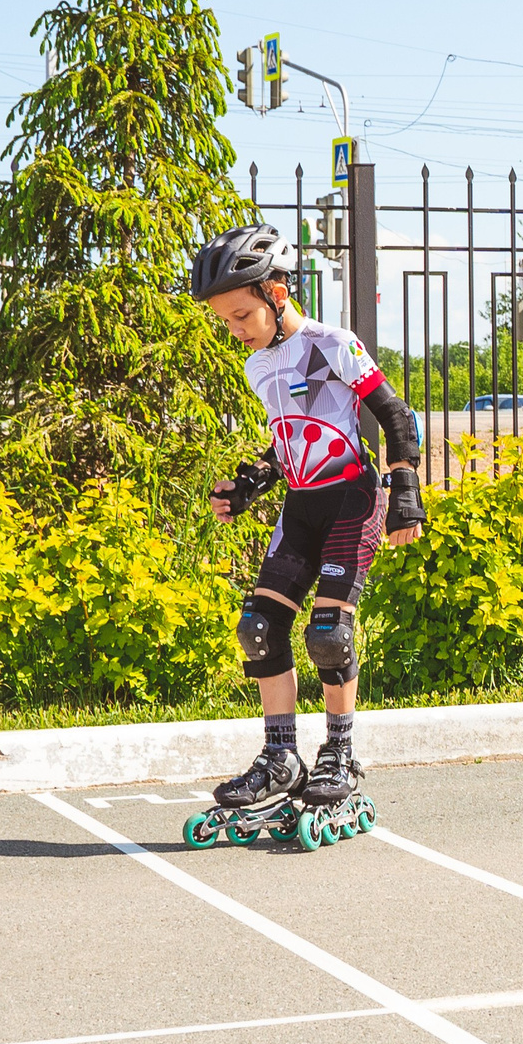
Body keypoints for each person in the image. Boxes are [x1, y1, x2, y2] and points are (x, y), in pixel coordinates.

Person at [191, 224, 426, 829]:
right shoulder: (258, 367)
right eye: (228, 322)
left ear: (276, 292)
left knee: (328, 634)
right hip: (301, 503)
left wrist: (405, 492)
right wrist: (251, 485)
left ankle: (340, 755)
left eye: (243, 314)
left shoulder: (331, 343)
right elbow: (288, 437)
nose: (237, 330)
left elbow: (395, 415)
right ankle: (279, 759)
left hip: (351, 499)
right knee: (259, 627)